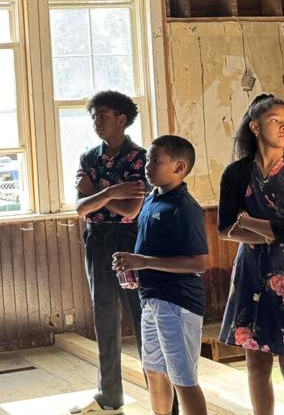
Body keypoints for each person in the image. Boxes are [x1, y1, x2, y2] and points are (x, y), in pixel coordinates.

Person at [216, 94, 284, 415]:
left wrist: (250, 222)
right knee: (255, 361)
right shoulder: (236, 173)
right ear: (255, 127)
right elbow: (225, 228)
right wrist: (278, 226)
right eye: (276, 121)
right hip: (250, 270)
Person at [113, 135, 208, 415]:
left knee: (183, 378)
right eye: (148, 159)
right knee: (154, 371)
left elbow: (199, 262)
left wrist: (143, 261)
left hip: (177, 302)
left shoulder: (185, 207)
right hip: (151, 298)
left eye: (156, 160)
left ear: (179, 167)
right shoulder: (153, 198)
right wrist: (135, 267)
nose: (147, 165)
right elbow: (154, 251)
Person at [71, 91, 148, 415]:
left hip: (130, 240)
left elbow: (131, 210)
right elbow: (80, 208)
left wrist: (100, 195)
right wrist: (112, 192)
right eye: (93, 116)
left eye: (102, 115)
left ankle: (162, 393)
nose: (96, 122)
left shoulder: (141, 158)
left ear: (121, 118)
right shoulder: (89, 157)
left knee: (142, 316)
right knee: (104, 316)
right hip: (98, 238)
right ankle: (109, 396)